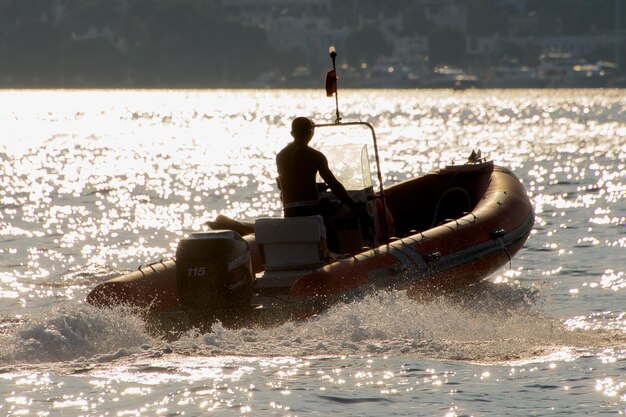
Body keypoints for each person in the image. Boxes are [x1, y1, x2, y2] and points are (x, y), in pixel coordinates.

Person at [276, 117, 371, 225]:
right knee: (333, 233)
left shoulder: (281, 156)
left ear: (292, 133)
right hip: (310, 210)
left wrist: (316, 186)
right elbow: (334, 185)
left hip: (289, 212)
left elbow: (290, 182)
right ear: (311, 133)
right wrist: (356, 207)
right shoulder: (315, 156)